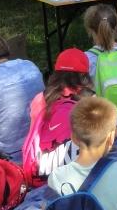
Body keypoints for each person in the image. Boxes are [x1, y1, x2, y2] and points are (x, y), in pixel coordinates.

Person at [21, 48, 95, 183]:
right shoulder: (89, 98)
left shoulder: (42, 97)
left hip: (44, 170)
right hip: (80, 167)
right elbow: (110, 132)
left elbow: (33, 135)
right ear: (83, 74)